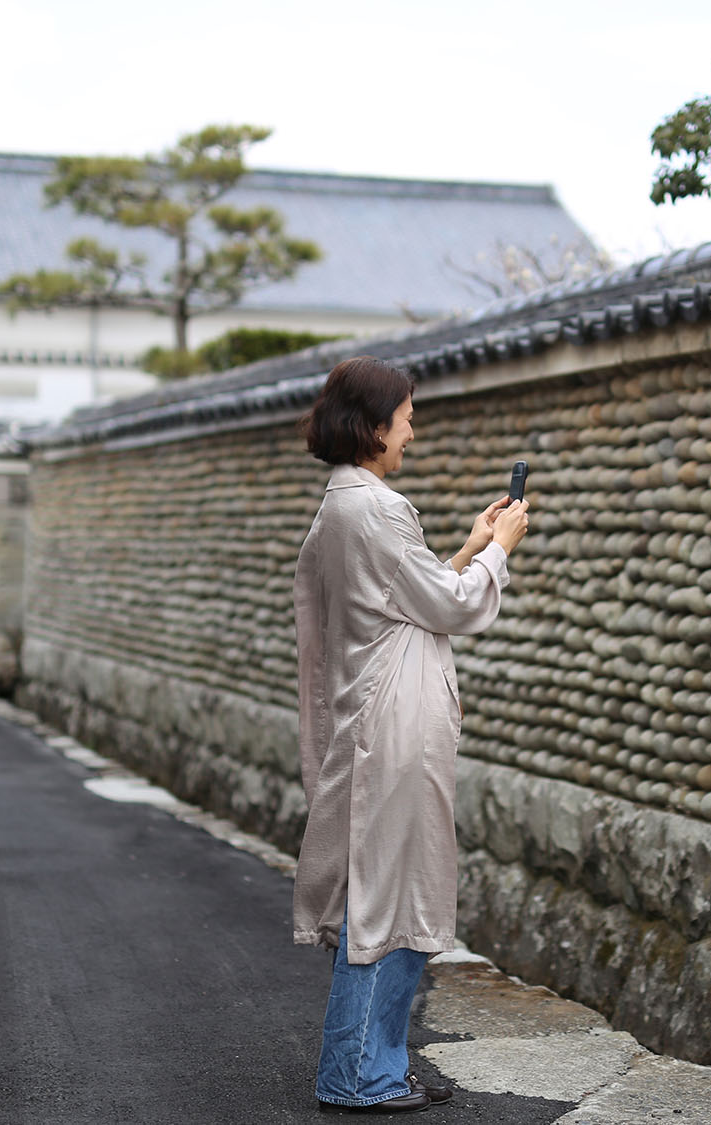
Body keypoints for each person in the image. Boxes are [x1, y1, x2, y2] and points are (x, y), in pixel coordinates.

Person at [292, 356, 530, 1114]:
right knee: (391, 901)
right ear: (372, 425)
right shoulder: (380, 509)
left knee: (388, 894)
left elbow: (410, 596)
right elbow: (452, 606)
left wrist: (465, 546)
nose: (411, 433)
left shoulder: (340, 508)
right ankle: (357, 1072)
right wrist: (500, 550)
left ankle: (374, 1065)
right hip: (395, 725)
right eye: (406, 419)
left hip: (374, 718)